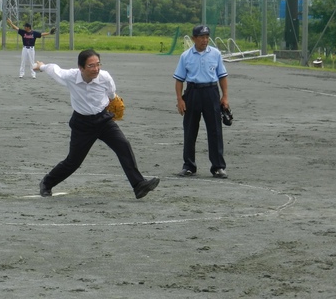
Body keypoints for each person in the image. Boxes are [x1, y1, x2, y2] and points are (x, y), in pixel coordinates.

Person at [33, 49, 160, 199]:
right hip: (82, 123)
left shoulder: (105, 77)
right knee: (73, 161)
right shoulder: (70, 76)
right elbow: (54, 69)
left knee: (123, 146)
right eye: (91, 66)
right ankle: (47, 183)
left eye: (98, 64)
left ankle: (138, 185)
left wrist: (113, 103)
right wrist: (41, 66)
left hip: (103, 119)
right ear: (80, 68)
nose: (96, 69)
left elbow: (112, 95)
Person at [173, 25, 228, 178]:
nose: (205, 40)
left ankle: (218, 166)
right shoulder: (186, 56)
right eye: (201, 37)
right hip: (193, 92)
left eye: (207, 36)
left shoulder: (215, 54)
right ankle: (189, 165)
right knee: (190, 130)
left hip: (211, 92)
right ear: (194, 39)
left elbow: (222, 76)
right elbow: (179, 80)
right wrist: (180, 100)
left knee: (215, 130)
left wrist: (225, 97)